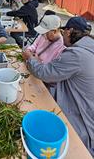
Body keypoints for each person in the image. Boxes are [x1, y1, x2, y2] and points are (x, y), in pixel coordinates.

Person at [23, 16, 94, 156]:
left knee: (72, 146)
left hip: (82, 112)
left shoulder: (76, 54)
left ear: (69, 31)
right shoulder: (89, 46)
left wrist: (29, 58)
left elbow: (45, 72)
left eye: (64, 31)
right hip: (87, 103)